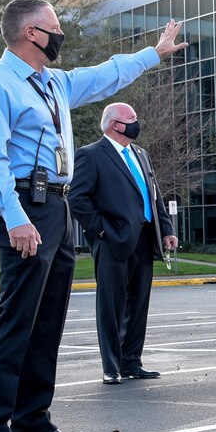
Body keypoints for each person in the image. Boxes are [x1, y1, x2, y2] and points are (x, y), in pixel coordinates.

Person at [0, 3, 184, 432]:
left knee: (47, 321)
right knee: (17, 318)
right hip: (26, 204)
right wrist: (14, 215)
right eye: (55, 29)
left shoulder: (54, 84)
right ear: (30, 32)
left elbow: (106, 74)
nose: (61, 36)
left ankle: (33, 422)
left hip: (56, 206)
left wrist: (154, 53)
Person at [71, 101, 177, 384]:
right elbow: (78, 199)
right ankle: (111, 366)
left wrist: (165, 229)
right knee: (111, 304)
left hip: (144, 238)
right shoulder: (91, 155)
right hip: (112, 240)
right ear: (113, 124)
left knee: (138, 303)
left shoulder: (141, 154)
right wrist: (101, 231)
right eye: (131, 118)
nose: (136, 122)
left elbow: (154, 196)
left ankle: (132, 361)